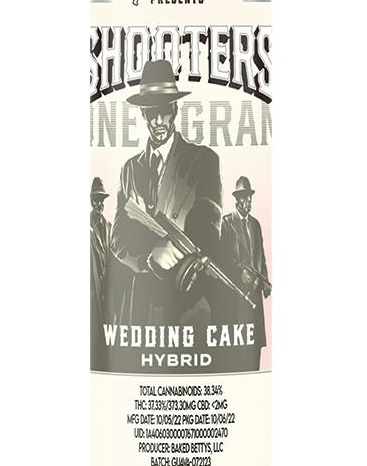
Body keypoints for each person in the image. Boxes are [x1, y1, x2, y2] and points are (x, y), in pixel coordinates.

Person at [110, 59, 221, 328]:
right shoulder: (129, 169)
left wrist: (177, 254)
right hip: (140, 310)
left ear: (175, 108)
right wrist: (148, 259)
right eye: (151, 112)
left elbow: (209, 228)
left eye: (164, 111)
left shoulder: (203, 160)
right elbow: (118, 238)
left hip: (186, 306)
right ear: (143, 113)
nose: (158, 121)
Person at [220, 176, 270, 370]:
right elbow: (223, 259)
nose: (249, 201)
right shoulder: (227, 223)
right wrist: (239, 271)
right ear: (237, 199)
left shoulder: (255, 225)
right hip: (238, 295)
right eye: (245, 198)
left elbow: (261, 257)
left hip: (256, 293)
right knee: (239, 344)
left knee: (254, 344)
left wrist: (265, 281)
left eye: (250, 197)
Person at [89, 176, 110, 365]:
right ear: (91, 201)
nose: (99, 204)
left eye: (102, 200)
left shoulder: (109, 227)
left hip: (106, 293)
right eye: (96, 200)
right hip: (92, 294)